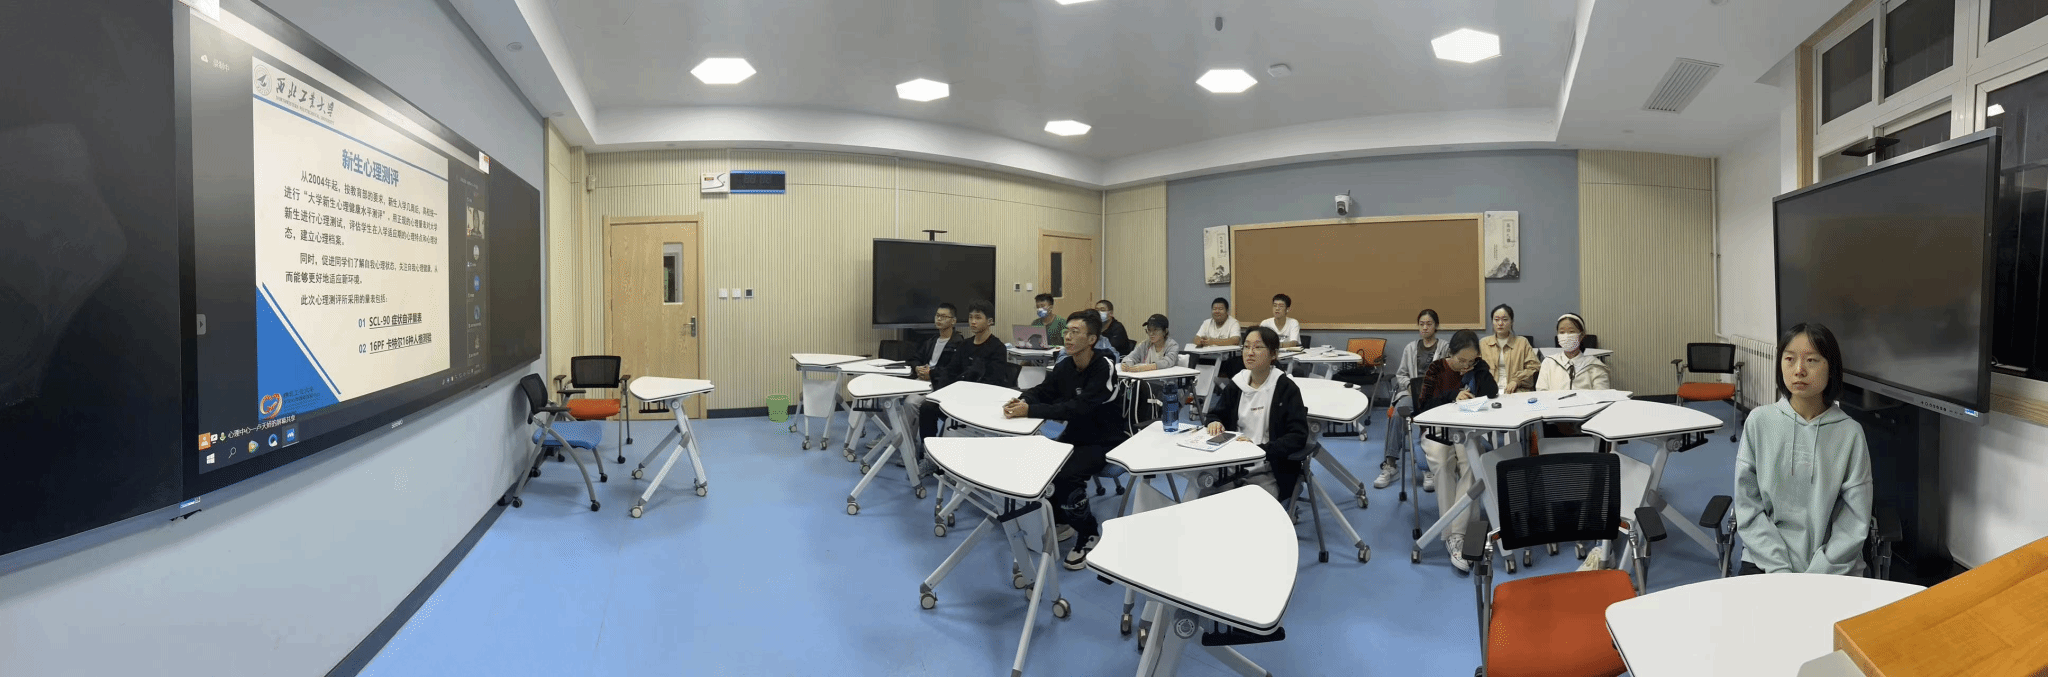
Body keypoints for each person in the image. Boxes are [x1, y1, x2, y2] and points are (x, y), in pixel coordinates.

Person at [1733, 322, 1873, 576]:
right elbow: (1748, 506)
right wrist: (1779, 569)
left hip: (1832, 567)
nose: (1799, 370)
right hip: (1765, 561)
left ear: (1831, 368)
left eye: (1811, 360)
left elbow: (1854, 519)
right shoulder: (1759, 422)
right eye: (1790, 359)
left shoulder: (1850, 433)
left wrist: (1817, 575)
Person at [1003, 310, 1126, 570]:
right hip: (1075, 435)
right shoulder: (1065, 366)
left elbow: (1079, 408)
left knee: (1066, 474)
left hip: (1106, 439)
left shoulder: (1103, 367)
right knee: (1040, 463)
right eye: (1066, 331)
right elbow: (1044, 391)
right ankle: (1061, 518)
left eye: (1075, 332)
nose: (1067, 337)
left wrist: (1031, 410)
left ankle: (1089, 532)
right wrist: (1022, 400)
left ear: (1091, 339)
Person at [1414, 329, 1498, 574]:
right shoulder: (1437, 369)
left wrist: (1479, 369)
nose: (1465, 365)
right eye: (1462, 360)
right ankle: (1451, 533)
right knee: (1442, 462)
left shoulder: (1475, 369)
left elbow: (1492, 392)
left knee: (1471, 461)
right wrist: (1453, 396)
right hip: (1436, 430)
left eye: (1471, 360)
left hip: (1466, 430)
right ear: (1451, 353)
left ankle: (1458, 533)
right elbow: (1423, 405)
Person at [1202, 326, 1313, 504]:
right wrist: (1214, 422)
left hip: (1268, 469)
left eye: (1258, 347)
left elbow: (1298, 436)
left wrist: (1261, 450)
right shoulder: (1237, 384)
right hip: (1230, 465)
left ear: (1273, 354)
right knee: (1205, 500)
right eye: (1246, 346)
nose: (1250, 352)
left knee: (1256, 508)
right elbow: (1215, 414)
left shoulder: (1286, 388)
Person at [1376, 309, 1451, 491]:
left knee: (1428, 419)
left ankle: (1428, 468)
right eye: (1421, 324)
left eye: (1429, 324)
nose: (1425, 328)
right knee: (1397, 415)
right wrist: (1410, 386)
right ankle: (1390, 464)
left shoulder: (1444, 347)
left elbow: (1450, 374)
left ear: (1436, 326)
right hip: (1411, 393)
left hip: (1435, 396)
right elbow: (1401, 374)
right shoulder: (1410, 348)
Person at [919, 301, 1007, 450]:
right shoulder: (965, 345)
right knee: (927, 407)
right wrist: (941, 394)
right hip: (958, 396)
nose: (973, 322)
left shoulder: (997, 348)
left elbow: (994, 381)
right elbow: (950, 371)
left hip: (981, 400)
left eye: (978, 318)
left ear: (990, 321)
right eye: (970, 317)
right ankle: (927, 450)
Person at [1121, 314, 1182, 425]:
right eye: (1149, 330)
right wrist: (1126, 364)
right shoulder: (1145, 345)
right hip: (1146, 385)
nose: (1151, 334)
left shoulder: (1172, 345)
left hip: (1166, 387)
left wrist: (1145, 367)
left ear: (1165, 331)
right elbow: (1130, 357)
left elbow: (1168, 362)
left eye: (1155, 330)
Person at [1534, 313, 1610, 392]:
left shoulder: (1595, 366)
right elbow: (1541, 392)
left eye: (1571, 331)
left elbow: (1601, 395)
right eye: (1562, 332)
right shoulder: (1548, 363)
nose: (1566, 336)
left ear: (1581, 335)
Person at [1480, 303, 1539, 395]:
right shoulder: (1483, 343)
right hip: (1490, 390)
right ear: (1492, 322)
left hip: (1516, 390)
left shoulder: (1522, 342)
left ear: (1512, 321)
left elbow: (1534, 367)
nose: (1500, 323)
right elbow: (1476, 369)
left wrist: (1517, 380)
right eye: (1496, 320)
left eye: (1505, 319)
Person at [912, 303, 965, 383]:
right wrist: (917, 368)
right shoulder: (931, 342)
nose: (939, 319)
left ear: (953, 321)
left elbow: (953, 370)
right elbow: (915, 359)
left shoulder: (959, 344)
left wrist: (931, 374)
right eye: (937, 315)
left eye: (943, 316)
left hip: (941, 383)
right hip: (923, 380)